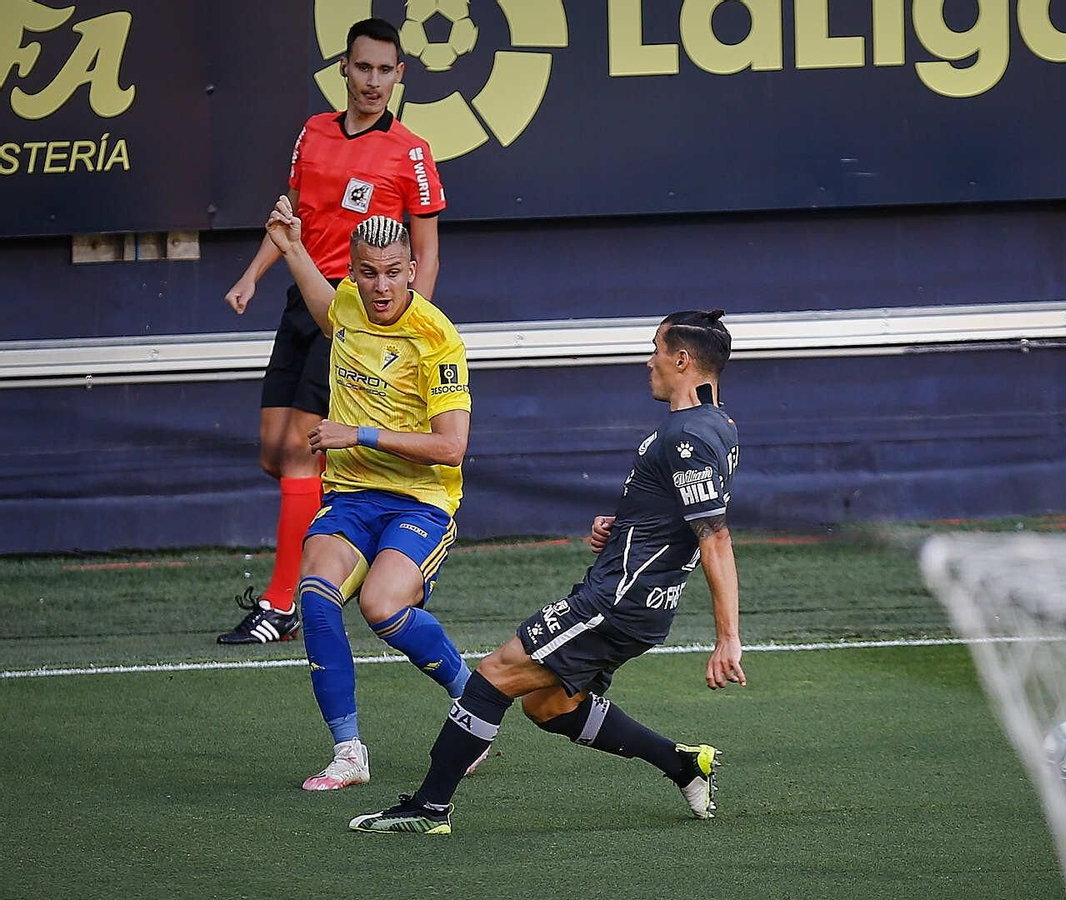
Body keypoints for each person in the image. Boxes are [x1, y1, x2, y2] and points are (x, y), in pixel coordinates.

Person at [349, 310, 745, 834]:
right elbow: (681, 515)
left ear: (681, 360)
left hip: (618, 600)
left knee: (494, 676)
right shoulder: (718, 426)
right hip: (634, 598)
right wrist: (624, 526)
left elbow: (714, 536)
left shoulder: (686, 435)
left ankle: (428, 809)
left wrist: (727, 637)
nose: (648, 360)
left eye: (655, 348)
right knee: (548, 704)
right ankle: (683, 765)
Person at [218, 17, 446, 645]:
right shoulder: (313, 133)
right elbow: (288, 217)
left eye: (384, 70)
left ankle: (285, 602)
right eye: (362, 67)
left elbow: (426, 253)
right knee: (275, 453)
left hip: (358, 317)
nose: (373, 81)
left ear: (399, 76)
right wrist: (252, 277)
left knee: (300, 450)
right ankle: (353, 556)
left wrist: (405, 331)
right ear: (342, 69)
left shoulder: (412, 152)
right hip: (303, 302)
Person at [263, 198, 472, 791]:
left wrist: (357, 433)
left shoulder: (437, 339)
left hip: (421, 502)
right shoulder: (350, 304)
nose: (380, 285)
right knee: (316, 593)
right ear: (352, 271)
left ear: (412, 270)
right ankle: (349, 752)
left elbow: (452, 447)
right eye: (367, 271)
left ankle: (473, 701)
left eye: (392, 272)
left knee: (382, 607)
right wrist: (294, 248)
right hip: (352, 495)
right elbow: (330, 313)